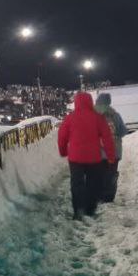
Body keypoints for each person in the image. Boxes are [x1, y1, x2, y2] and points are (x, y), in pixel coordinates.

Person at [57, 92, 116, 220]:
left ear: (76, 102)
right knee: (93, 183)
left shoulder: (70, 118)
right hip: (94, 158)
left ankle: (78, 209)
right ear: (90, 102)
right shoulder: (98, 118)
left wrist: (63, 151)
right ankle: (90, 209)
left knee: (77, 184)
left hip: (75, 159)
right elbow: (107, 138)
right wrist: (111, 156)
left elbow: (62, 137)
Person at [94, 93, 128, 203]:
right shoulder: (115, 115)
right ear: (109, 102)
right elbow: (123, 131)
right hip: (114, 151)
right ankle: (109, 198)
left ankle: (98, 196)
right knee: (111, 174)